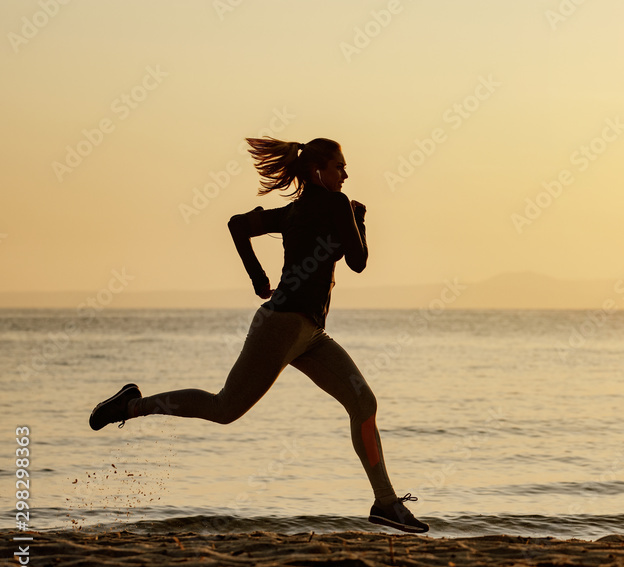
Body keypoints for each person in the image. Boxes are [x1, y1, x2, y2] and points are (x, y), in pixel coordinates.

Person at [89, 137, 428, 534]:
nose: (346, 174)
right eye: (340, 166)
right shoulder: (336, 205)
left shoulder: (294, 213)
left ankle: (386, 502)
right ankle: (131, 406)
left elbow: (238, 225)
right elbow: (358, 261)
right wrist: (361, 219)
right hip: (282, 326)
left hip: (310, 334)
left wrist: (256, 275)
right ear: (319, 170)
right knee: (224, 409)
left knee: (363, 402)